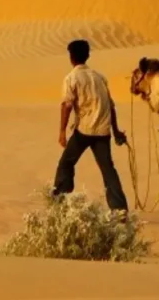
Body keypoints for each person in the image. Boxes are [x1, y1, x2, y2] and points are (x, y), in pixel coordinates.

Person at [53, 39, 130, 213]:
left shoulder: (72, 78)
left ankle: (60, 203)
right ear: (87, 56)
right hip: (103, 130)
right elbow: (111, 106)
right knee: (108, 168)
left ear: (71, 57)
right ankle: (120, 210)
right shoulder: (99, 77)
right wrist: (116, 131)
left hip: (84, 130)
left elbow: (67, 105)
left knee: (66, 163)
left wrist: (62, 132)